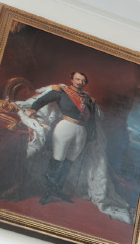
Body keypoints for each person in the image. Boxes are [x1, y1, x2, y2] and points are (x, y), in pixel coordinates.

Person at [23, 71, 97, 205]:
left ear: (85, 83)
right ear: (72, 79)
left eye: (82, 80)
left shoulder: (88, 99)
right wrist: (33, 109)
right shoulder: (62, 92)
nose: (80, 82)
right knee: (57, 160)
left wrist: (93, 138)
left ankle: (58, 189)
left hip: (81, 132)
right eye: (77, 79)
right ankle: (47, 192)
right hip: (65, 128)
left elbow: (92, 121)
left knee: (69, 162)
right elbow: (43, 99)